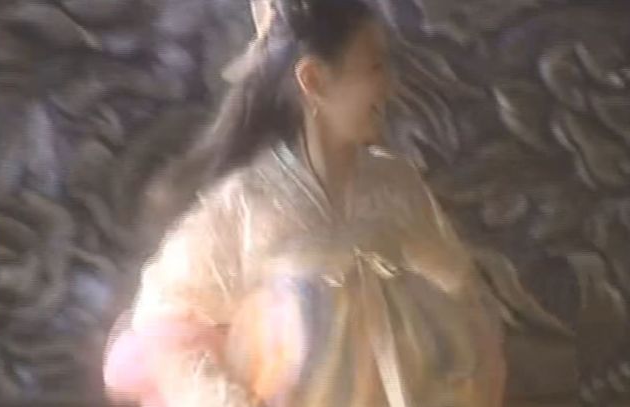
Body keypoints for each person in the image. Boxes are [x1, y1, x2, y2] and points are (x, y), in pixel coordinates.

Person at [103, 0, 506, 406]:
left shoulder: (395, 186)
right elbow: (168, 329)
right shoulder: (247, 204)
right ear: (313, 80)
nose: (390, 86)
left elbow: (461, 290)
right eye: (374, 67)